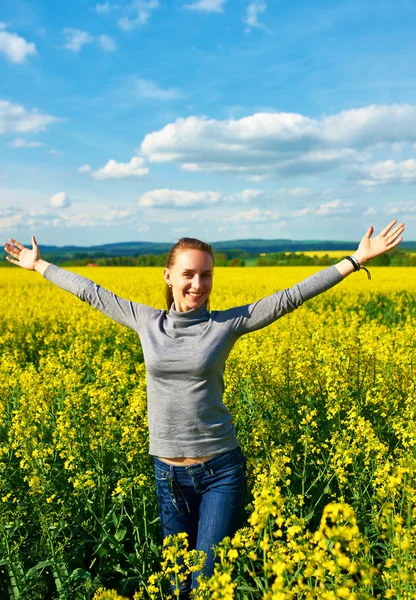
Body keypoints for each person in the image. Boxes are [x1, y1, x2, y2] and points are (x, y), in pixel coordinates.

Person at [3, 220, 404, 597]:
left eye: (206, 275)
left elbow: (289, 298)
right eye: (189, 274)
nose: (198, 284)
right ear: (169, 276)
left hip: (220, 472)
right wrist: (38, 265)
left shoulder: (225, 325)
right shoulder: (147, 322)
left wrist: (353, 262)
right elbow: (91, 292)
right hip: (168, 476)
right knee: (177, 583)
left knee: (205, 582)